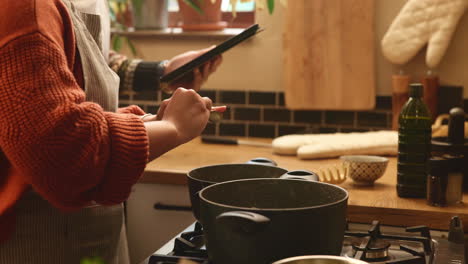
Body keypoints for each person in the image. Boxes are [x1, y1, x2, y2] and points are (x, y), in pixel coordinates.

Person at [0, 0, 222, 263]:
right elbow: (63, 156)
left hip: (88, 235)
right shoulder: (25, 7)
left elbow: (80, 56)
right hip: (31, 241)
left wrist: (160, 74)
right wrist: (172, 128)